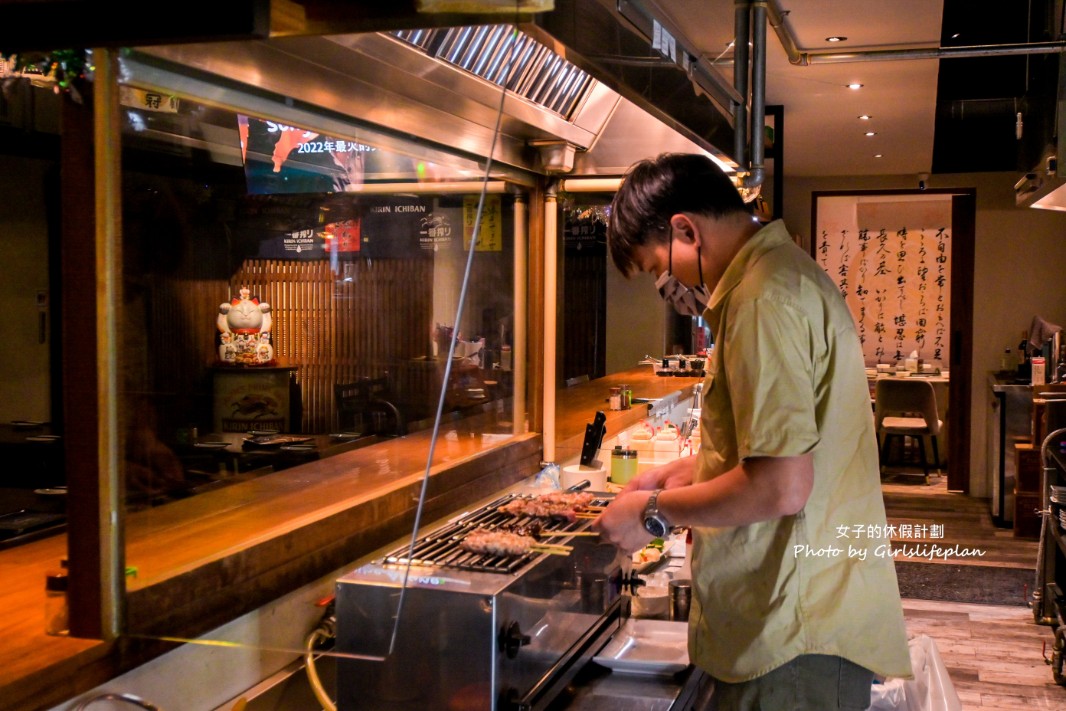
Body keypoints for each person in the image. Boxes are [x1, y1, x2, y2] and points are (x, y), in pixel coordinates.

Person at [593, 153, 912, 710]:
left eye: (657, 267)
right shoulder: (778, 278)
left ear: (685, 230)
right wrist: (683, 473)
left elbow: (781, 486)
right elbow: (778, 450)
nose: (666, 283)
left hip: (792, 630)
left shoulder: (763, 299)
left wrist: (655, 515)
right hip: (804, 611)